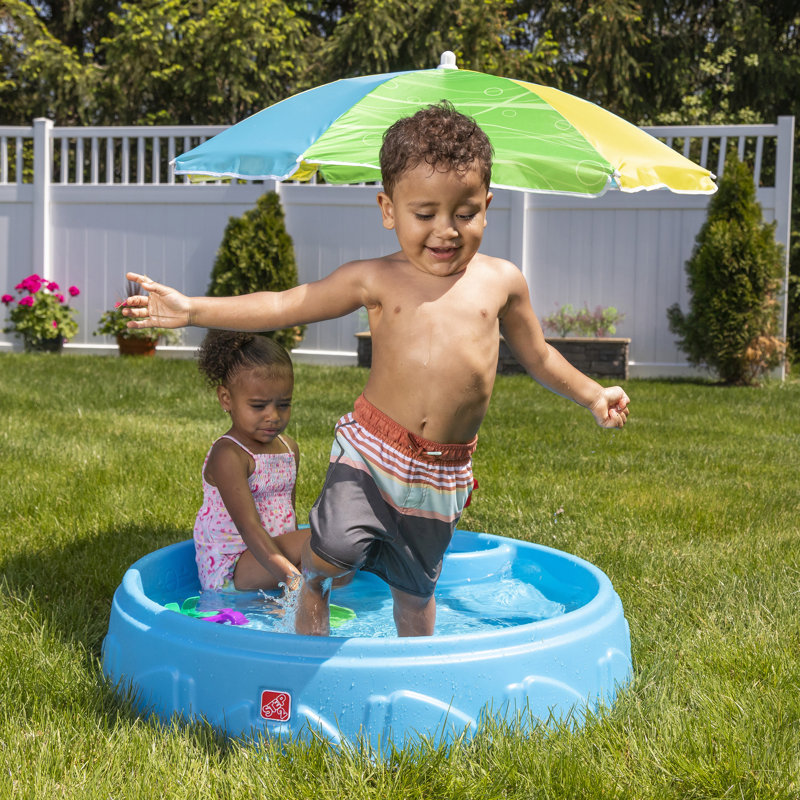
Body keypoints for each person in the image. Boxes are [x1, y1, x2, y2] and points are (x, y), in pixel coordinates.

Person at [123, 101, 630, 637]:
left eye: (465, 212)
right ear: (389, 209)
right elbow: (284, 304)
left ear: (488, 205)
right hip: (371, 449)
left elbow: (540, 356)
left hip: (443, 472)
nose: (446, 231)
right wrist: (193, 309)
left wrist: (592, 394)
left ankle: (416, 674)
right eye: (425, 213)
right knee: (332, 554)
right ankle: (304, 639)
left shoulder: (502, 281)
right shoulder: (375, 279)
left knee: (416, 592)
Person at [193, 329, 307, 593]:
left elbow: (289, 517)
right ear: (226, 399)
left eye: (284, 404)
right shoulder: (229, 454)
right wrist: (293, 577)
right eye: (258, 406)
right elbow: (249, 528)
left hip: (272, 560)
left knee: (336, 547)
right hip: (232, 571)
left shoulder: (289, 448)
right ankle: (301, 597)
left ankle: (298, 598)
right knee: (321, 543)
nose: (273, 416)